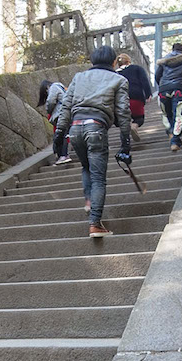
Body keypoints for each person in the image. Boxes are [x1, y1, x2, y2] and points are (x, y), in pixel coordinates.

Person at [54, 45, 131, 237]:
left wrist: (59, 133)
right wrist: (125, 141)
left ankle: (89, 200)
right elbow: (123, 111)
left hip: (75, 128)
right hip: (96, 127)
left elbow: (66, 106)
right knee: (98, 178)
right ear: (114, 62)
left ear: (92, 61)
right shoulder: (119, 79)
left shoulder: (79, 77)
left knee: (86, 167)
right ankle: (95, 224)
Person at [155, 42, 182, 152]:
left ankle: (171, 132)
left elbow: (157, 76)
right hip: (179, 88)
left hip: (163, 90)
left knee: (167, 114)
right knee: (180, 115)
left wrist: (162, 86)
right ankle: (175, 140)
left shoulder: (164, 61)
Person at [115, 53, 152, 141]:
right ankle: (134, 126)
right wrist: (148, 94)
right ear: (129, 61)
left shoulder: (115, 73)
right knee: (139, 118)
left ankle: (125, 141)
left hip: (120, 100)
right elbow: (144, 81)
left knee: (123, 120)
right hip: (136, 98)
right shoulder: (137, 68)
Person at [37, 80, 71, 165]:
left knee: (61, 135)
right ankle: (63, 155)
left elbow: (51, 101)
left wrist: (49, 111)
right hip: (67, 112)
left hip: (61, 114)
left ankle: (63, 155)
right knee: (64, 134)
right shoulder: (61, 88)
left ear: (46, 88)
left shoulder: (53, 87)